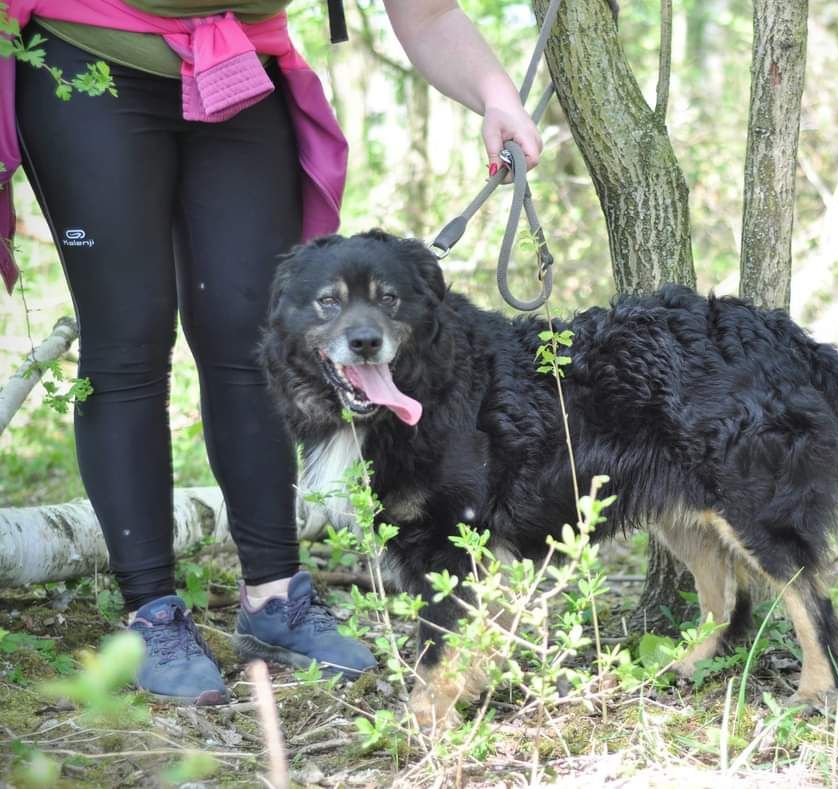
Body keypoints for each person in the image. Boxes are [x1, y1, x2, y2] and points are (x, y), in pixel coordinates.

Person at [2, 0, 541, 705]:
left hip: (237, 72)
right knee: (125, 342)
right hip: (89, 61)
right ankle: (151, 613)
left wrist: (498, 96)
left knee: (255, 338)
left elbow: (428, 12)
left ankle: (275, 597)